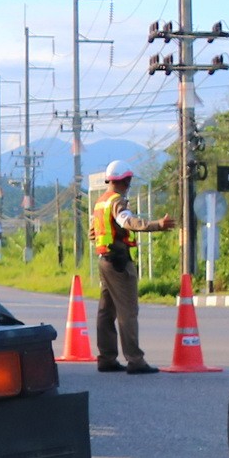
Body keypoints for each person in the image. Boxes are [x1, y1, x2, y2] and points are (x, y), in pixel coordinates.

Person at [92, 160, 175, 375]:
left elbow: (94, 232)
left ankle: (106, 358)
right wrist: (157, 225)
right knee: (127, 312)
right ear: (125, 180)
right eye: (128, 180)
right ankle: (135, 360)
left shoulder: (100, 201)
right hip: (119, 262)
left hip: (104, 260)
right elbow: (127, 222)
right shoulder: (117, 201)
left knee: (105, 311)